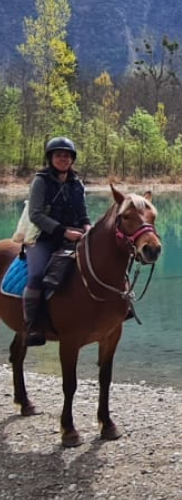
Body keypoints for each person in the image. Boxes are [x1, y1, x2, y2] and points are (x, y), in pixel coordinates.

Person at [22, 136, 91, 346]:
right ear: (50, 158)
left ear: (72, 159)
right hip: (43, 238)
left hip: (73, 237)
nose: (63, 159)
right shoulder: (40, 181)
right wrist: (63, 232)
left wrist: (88, 227)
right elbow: (35, 215)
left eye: (67, 155)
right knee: (36, 274)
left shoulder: (76, 184)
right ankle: (33, 326)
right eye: (58, 155)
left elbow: (82, 213)